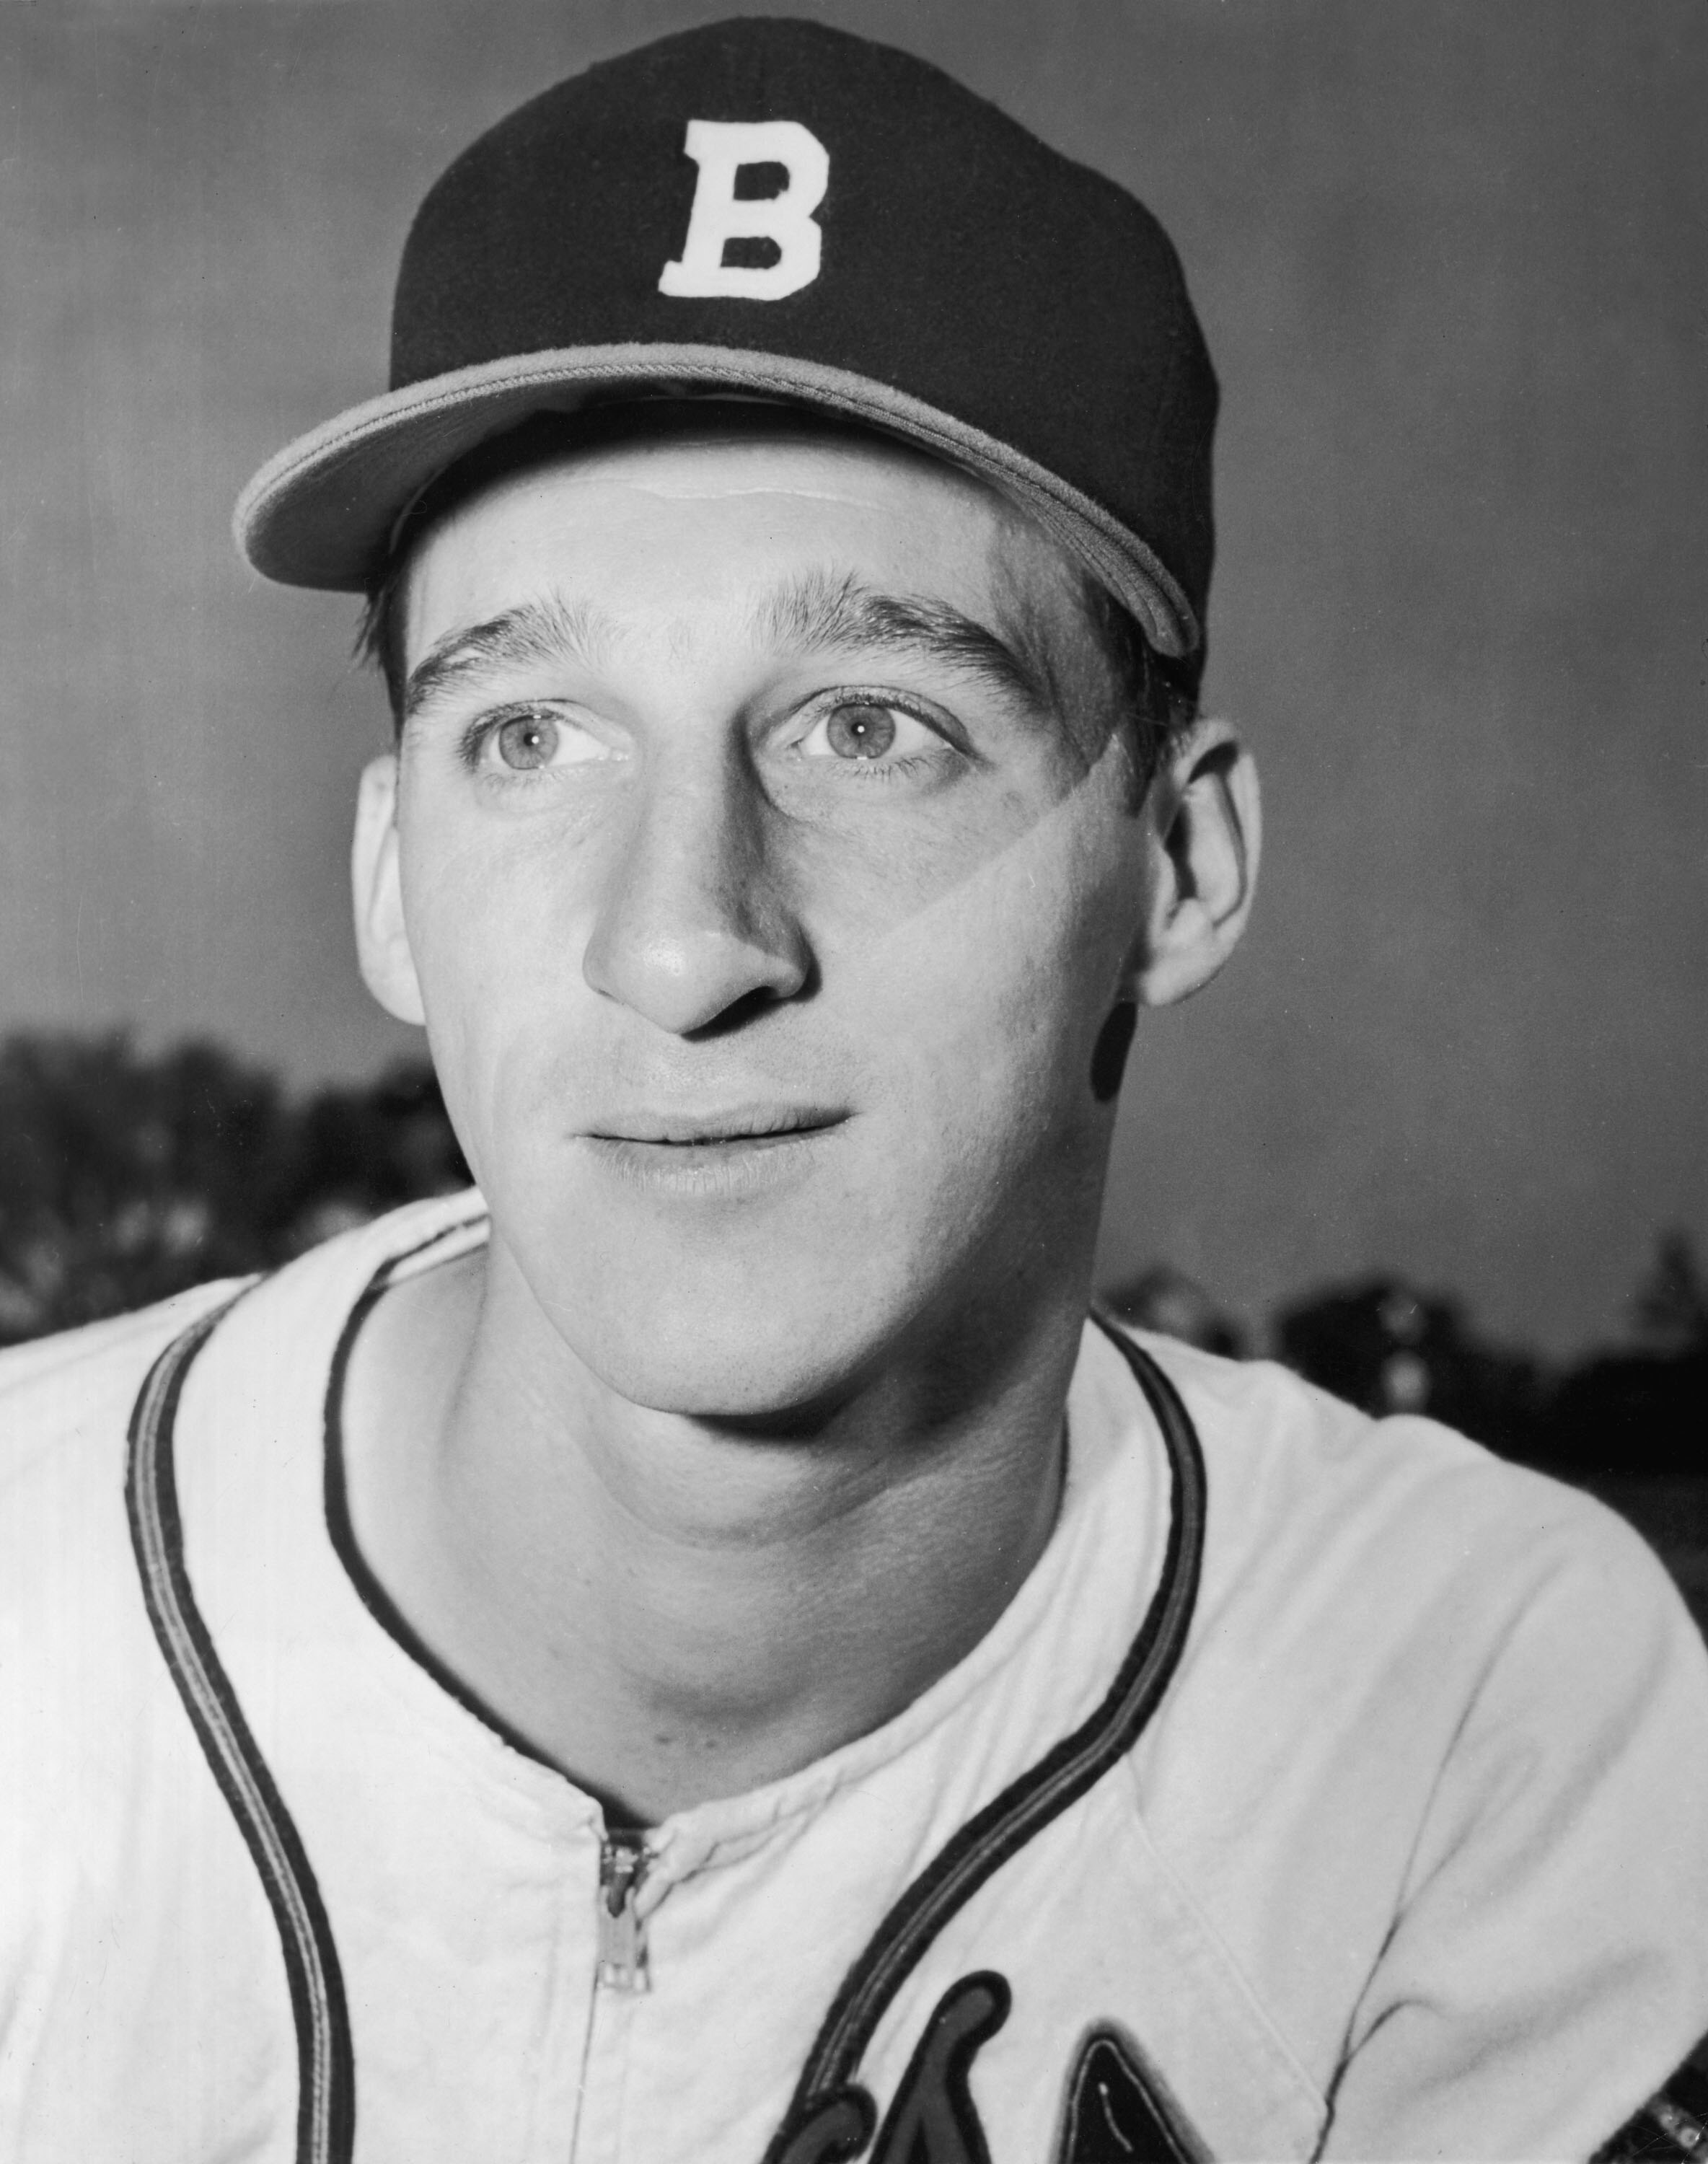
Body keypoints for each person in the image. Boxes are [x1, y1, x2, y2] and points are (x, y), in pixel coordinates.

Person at [1, 19, 1704, 2162]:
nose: (683, 941)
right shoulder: (20, 1615)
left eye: (868, 726)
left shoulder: (1476, 1708)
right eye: (530, 733)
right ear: (390, 879)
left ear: (1179, 869)